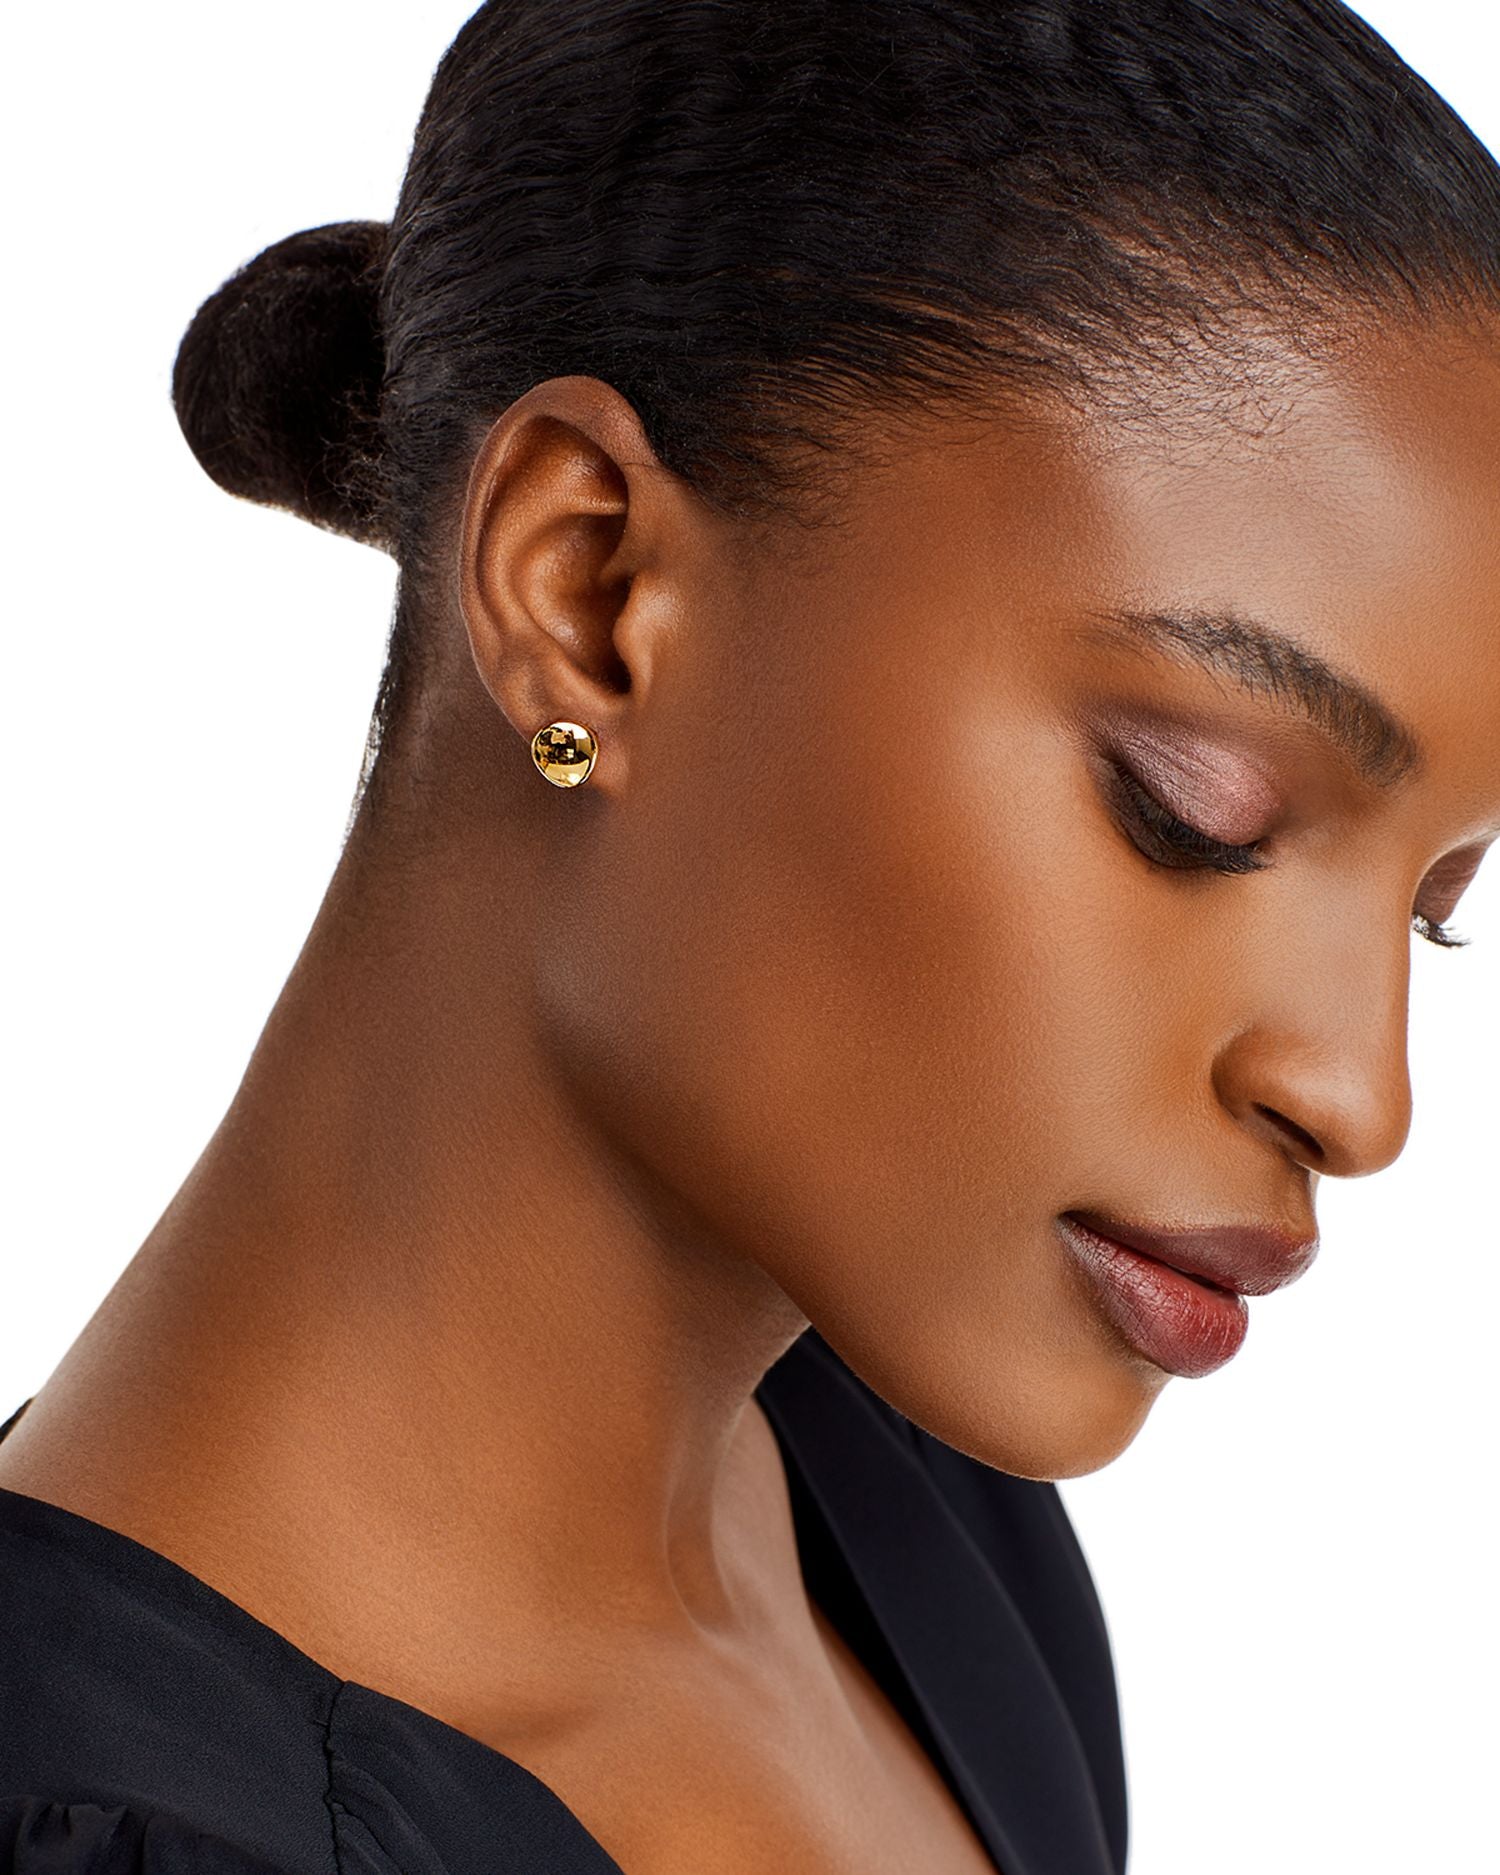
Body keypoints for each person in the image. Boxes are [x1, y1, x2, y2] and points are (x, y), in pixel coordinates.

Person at [2, 0, 1497, 1869]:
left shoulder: (900, 1487)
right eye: (1191, 807)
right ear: (587, 592)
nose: (1361, 1100)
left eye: (1437, 906)